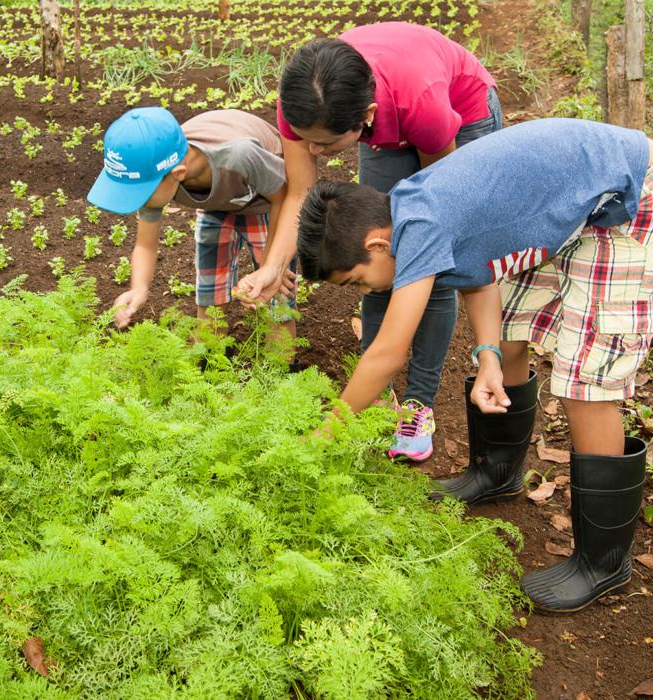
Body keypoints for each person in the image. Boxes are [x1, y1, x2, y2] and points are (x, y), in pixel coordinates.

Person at [295, 117, 652, 613]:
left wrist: (325, 434)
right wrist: (486, 356)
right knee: (509, 336)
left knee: (583, 383)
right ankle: (498, 471)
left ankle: (604, 562)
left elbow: (387, 353)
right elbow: (480, 273)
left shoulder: (419, 224)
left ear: (377, 244)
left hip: (628, 196)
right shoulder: (412, 210)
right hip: (578, 202)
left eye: (358, 281)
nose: (369, 292)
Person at [235, 23, 500, 461]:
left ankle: (418, 403)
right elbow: (301, 193)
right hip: (383, 111)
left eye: (324, 144)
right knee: (377, 268)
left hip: (458, 113)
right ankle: (376, 393)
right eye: (307, 142)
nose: (314, 152)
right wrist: (273, 267)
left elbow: (438, 211)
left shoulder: (422, 107)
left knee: (427, 267)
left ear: (368, 117)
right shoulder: (304, 106)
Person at [87, 106, 299, 366]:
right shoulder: (158, 168)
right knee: (210, 297)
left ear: (177, 175)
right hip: (217, 207)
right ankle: (209, 366)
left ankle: (280, 372)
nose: (137, 202)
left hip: (269, 204)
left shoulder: (238, 155)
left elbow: (284, 197)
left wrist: (271, 267)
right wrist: (139, 288)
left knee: (275, 300)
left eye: (140, 193)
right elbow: (145, 245)